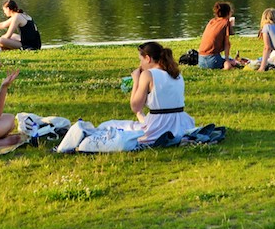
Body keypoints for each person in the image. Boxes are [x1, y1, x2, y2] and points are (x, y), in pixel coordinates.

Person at [57, 42, 197, 152]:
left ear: (148, 58)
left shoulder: (148, 75)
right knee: (127, 124)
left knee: (107, 125)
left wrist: (136, 80)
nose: (140, 64)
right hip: (181, 124)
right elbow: (161, 110)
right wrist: (141, 115)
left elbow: (135, 106)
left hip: (158, 128)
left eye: (141, 60)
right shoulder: (177, 75)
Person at [196, 1, 245, 70]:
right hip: (213, 61)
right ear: (228, 13)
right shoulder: (225, 22)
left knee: (228, 59)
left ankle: (229, 62)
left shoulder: (212, 21)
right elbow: (227, 44)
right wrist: (227, 60)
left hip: (201, 61)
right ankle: (228, 65)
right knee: (231, 61)